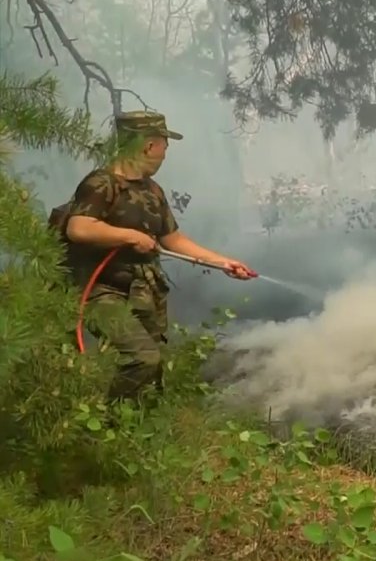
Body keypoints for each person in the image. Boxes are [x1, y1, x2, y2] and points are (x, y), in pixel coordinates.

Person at [63, 110, 255, 403]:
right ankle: (109, 420)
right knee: (143, 358)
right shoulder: (101, 184)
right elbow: (79, 228)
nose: (165, 153)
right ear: (149, 145)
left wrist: (223, 263)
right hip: (101, 293)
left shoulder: (153, 190)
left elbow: (173, 239)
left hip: (143, 293)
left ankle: (139, 421)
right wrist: (129, 236)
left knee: (152, 370)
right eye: (165, 144)